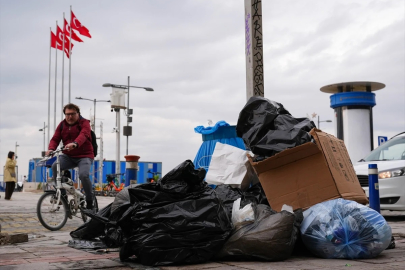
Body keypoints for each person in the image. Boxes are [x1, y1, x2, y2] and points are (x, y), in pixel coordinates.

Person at [46, 103, 95, 210]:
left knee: (83, 175)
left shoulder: (84, 123)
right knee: (55, 166)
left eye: (73, 114)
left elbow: (84, 134)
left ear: (78, 113)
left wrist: (75, 143)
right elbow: (55, 139)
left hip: (84, 156)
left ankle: (90, 201)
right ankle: (62, 196)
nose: (70, 117)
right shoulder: (62, 125)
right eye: (67, 114)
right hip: (68, 156)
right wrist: (51, 149)